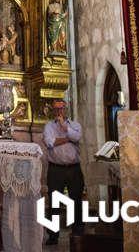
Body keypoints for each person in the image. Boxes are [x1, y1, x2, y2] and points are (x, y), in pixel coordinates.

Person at [43, 98, 84, 246]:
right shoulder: (48, 126)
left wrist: (64, 128)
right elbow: (49, 142)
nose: (59, 111)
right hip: (56, 169)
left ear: (66, 109)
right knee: (54, 202)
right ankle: (53, 235)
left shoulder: (76, 125)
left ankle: (78, 232)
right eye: (56, 109)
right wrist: (67, 138)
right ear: (53, 111)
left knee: (76, 200)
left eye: (62, 108)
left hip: (73, 168)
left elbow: (77, 137)